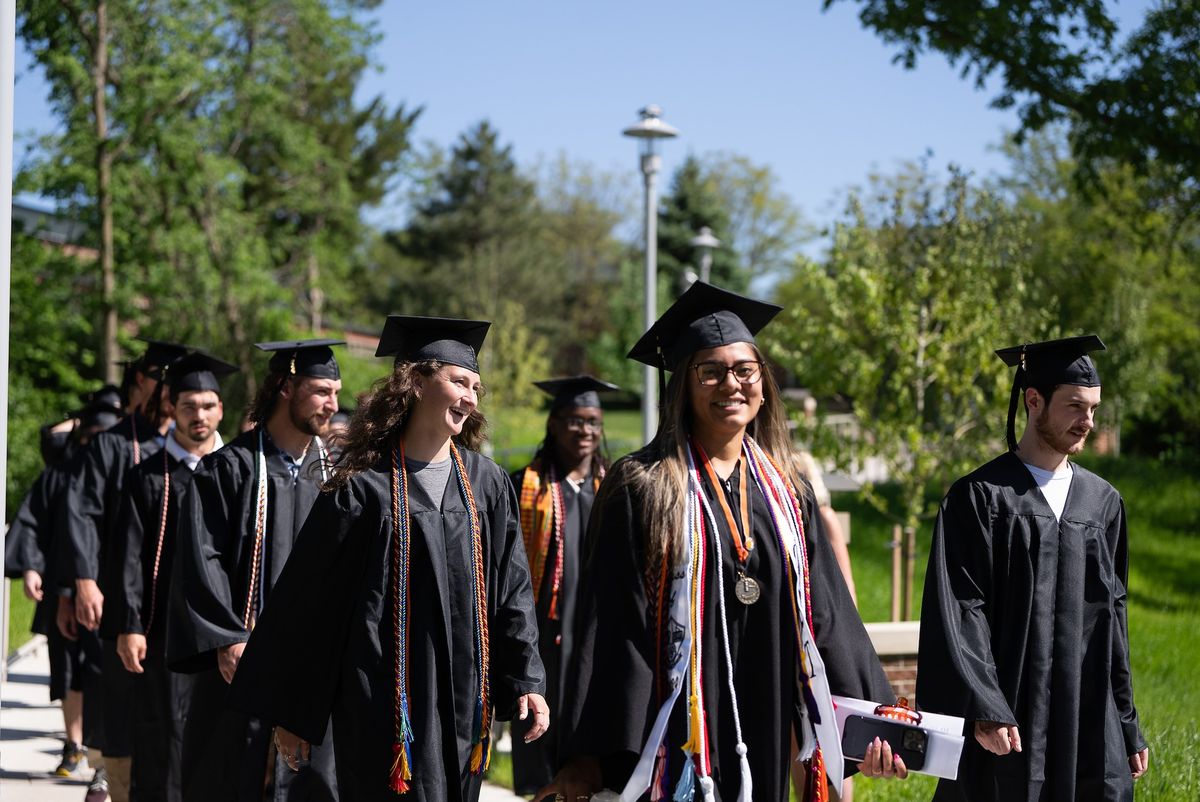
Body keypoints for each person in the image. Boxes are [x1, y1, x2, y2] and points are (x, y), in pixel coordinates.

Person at [546, 282, 906, 802]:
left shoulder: (788, 493)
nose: (730, 384)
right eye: (709, 371)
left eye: (744, 369)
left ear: (763, 382)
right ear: (684, 387)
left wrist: (875, 720)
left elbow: (826, 613)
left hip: (770, 700)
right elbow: (614, 622)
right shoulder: (643, 483)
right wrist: (592, 756)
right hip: (680, 723)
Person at [226, 315, 548, 802]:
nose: (471, 398)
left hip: (465, 702)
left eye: (476, 387)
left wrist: (527, 677)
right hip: (380, 706)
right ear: (416, 381)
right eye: (459, 381)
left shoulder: (487, 484)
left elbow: (513, 591)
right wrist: (293, 714)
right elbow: (310, 605)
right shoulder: (361, 489)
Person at [917, 335, 1148, 801]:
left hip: (1088, 715)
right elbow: (962, 610)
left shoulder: (1103, 503)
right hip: (1010, 715)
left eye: (1094, 409)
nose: (1088, 422)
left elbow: (1113, 620)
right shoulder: (980, 497)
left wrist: (1126, 720)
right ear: (1034, 401)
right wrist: (984, 705)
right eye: (1075, 407)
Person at [168, 338, 343, 802]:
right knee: (231, 777)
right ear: (287, 387)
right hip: (241, 664)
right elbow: (201, 557)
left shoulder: (340, 479)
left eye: (336, 393)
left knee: (311, 785)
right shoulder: (229, 469)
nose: (333, 405)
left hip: (313, 670)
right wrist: (226, 637)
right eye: (322, 391)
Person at [58, 339, 189, 802]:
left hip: (175, 605)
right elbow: (81, 513)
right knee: (122, 704)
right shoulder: (113, 444)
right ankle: (109, 776)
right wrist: (82, 582)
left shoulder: (190, 448)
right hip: (119, 599)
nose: (172, 393)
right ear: (143, 381)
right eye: (165, 381)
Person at [111, 352, 233, 801]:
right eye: (187, 406)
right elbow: (128, 556)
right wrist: (128, 623)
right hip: (162, 627)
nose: (198, 416)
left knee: (217, 735)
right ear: (172, 409)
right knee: (161, 734)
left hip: (223, 631)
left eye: (206, 406)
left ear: (220, 408)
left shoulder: (237, 471)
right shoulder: (147, 476)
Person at [4, 387, 123, 778]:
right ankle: (74, 744)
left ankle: (104, 752)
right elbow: (32, 520)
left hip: (110, 592)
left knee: (103, 672)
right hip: (61, 588)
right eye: (90, 438)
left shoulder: (125, 473)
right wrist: (32, 568)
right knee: (69, 671)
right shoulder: (61, 473)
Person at [509, 375, 618, 795]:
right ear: (553, 424)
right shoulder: (522, 487)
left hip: (597, 641)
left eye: (592, 421)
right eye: (573, 420)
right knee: (541, 751)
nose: (585, 430)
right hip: (542, 642)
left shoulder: (615, 489)